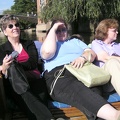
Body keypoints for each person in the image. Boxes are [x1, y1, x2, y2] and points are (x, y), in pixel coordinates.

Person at [40, 18, 120, 120]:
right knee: (78, 89)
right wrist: (54, 27)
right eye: (57, 30)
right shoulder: (49, 44)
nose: (60, 32)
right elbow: (47, 53)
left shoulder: (75, 41)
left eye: (63, 29)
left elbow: (92, 53)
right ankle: (114, 115)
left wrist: (82, 57)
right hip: (60, 74)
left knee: (95, 90)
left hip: (84, 70)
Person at [0, 14, 52, 120]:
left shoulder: (29, 44)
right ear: (5, 32)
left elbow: (32, 63)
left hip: (34, 80)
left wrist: (16, 64)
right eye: (10, 26)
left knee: (14, 67)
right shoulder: (1, 49)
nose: (15, 27)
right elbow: (3, 70)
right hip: (14, 84)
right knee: (12, 68)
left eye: (17, 25)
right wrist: (5, 66)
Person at [91, 18, 120, 95]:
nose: (117, 32)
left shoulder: (118, 45)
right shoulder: (96, 44)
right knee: (112, 62)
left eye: (117, 30)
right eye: (114, 31)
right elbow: (104, 57)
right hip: (107, 80)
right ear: (105, 31)